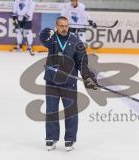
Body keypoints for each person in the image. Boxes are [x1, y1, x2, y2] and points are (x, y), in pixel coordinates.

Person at [39, 16, 97, 152]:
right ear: (57, 26)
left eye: (66, 26)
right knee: (51, 110)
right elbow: (42, 38)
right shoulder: (52, 39)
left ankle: (70, 138)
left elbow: (82, 62)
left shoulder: (76, 42)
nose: (64, 28)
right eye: (61, 26)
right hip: (52, 81)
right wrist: (47, 31)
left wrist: (88, 77)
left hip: (69, 83)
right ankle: (51, 138)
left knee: (71, 112)